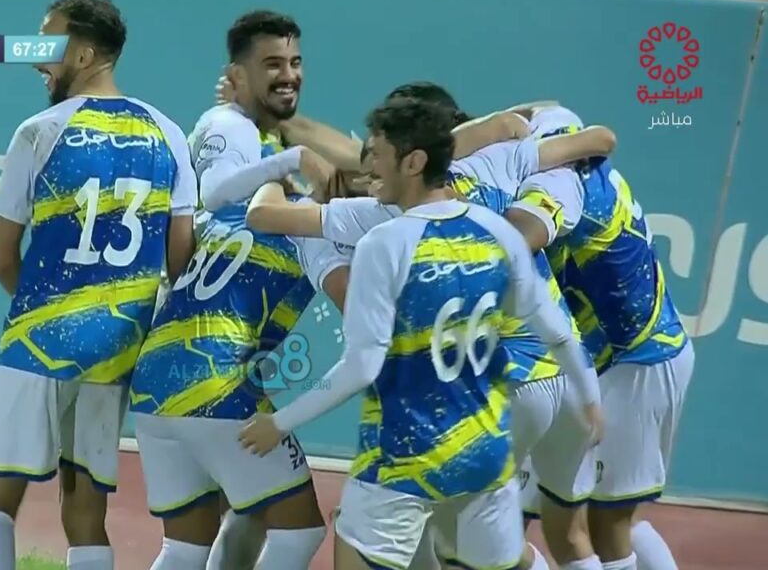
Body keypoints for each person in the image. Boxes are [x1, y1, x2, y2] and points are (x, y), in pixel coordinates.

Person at [240, 97, 601, 570]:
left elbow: (362, 365)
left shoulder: (383, 237)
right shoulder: (499, 226)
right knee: (478, 556)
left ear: (412, 162)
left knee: (358, 547)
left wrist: (280, 423)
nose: (367, 168)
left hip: (412, 439)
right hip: (487, 438)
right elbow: (557, 329)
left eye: (376, 155)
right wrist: (591, 400)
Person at [0, 0, 197, 569]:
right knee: (86, 513)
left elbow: (2, 259)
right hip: (117, 350)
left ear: (85, 54)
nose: (35, 59)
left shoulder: (38, 132)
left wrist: (46, 312)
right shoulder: (170, 134)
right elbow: (181, 261)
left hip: (37, 342)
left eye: (48, 44)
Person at [127, 10, 336, 570]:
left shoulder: (241, 203)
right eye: (272, 63)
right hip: (218, 383)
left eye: (295, 62)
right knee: (299, 533)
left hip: (156, 377)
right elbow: (222, 186)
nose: (289, 74)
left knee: (184, 545)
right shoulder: (312, 223)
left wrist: (288, 151)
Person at [512, 106, 694, 570]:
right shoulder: (556, 127)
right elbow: (546, 107)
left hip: (637, 360)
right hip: (594, 362)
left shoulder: (557, 189)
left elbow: (513, 240)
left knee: (608, 523)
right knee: (528, 516)